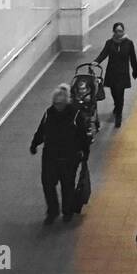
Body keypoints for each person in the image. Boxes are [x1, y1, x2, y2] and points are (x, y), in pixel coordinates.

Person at [30, 84, 92, 224]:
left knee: (67, 185)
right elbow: (41, 131)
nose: (56, 106)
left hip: (69, 157)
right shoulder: (49, 113)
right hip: (50, 156)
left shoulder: (75, 115)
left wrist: (85, 152)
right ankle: (52, 211)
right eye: (55, 103)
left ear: (66, 102)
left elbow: (83, 136)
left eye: (59, 103)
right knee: (48, 184)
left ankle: (67, 211)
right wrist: (34, 144)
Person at [94, 20, 137, 128]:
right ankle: (116, 105)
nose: (120, 33)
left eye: (121, 31)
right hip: (112, 72)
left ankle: (119, 115)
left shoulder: (129, 43)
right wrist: (96, 61)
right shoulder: (109, 43)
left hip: (123, 73)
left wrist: (135, 70)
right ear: (114, 31)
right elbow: (104, 53)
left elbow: (133, 58)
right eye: (118, 31)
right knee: (114, 92)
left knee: (120, 93)